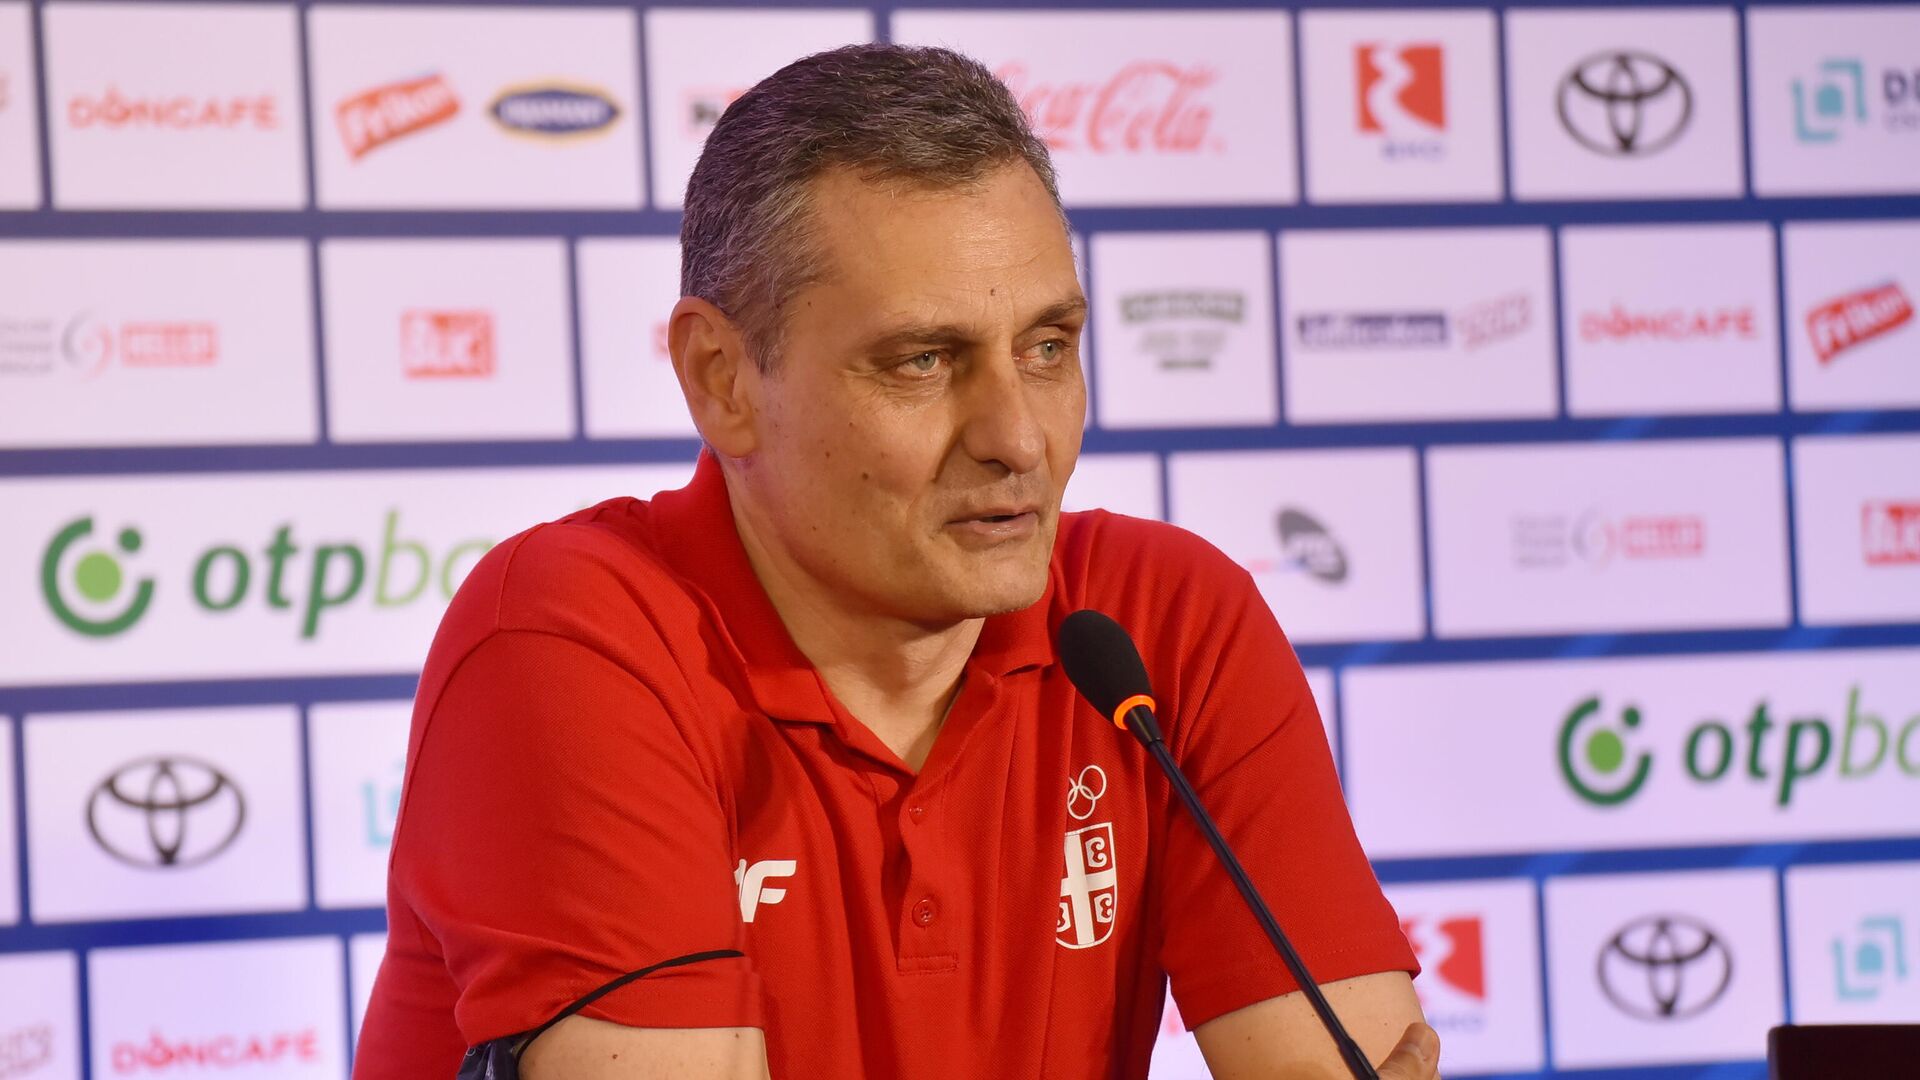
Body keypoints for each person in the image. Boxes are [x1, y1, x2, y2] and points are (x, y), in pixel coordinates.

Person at [355, 43, 1438, 1080]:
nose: (1018, 438)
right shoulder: (571, 637)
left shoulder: (1160, 626)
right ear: (722, 379)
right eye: (923, 360)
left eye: (1048, 348)